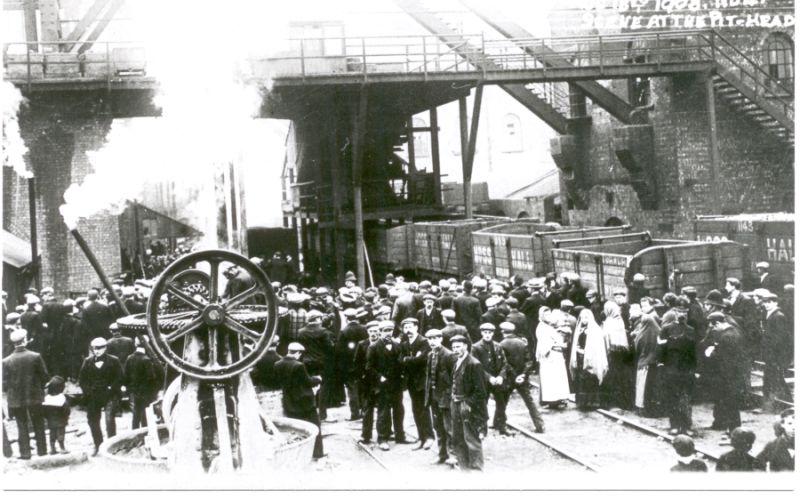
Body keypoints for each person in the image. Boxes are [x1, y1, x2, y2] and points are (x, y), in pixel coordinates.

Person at [2, 329, 48, 459]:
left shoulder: (6, 361)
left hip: (16, 399)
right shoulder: (35, 356)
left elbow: (4, 384)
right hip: (34, 396)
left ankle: (25, 453)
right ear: (24, 340)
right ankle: (42, 451)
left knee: (21, 425)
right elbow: (45, 376)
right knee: (38, 423)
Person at [273, 342, 324, 459]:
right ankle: (317, 453)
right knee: (315, 427)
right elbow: (307, 382)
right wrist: (318, 379)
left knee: (295, 430)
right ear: (298, 353)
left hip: (288, 401)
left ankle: (299, 454)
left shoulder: (277, 364)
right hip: (304, 402)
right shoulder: (299, 365)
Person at [701, 312, 747, 440]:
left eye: (713, 326)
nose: (713, 329)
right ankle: (733, 430)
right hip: (735, 375)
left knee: (731, 404)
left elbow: (724, 358)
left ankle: (734, 433)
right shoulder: (735, 332)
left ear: (718, 323)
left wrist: (711, 353)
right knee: (731, 404)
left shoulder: (726, 336)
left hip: (728, 376)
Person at [368, 320, 410, 450]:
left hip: (396, 384)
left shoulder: (398, 346)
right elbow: (369, 367)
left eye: (390, 331)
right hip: (382, 386)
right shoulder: (373, 347)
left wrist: (403, 377)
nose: (388, 333)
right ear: (380, 332)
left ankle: (400, 436)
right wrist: (380, 377)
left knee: (399, 410)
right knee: (383, 412)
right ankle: (382, 438)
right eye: (385, 331)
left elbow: (402, 364)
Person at [449, 334, 488, 471]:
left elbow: (481, 391)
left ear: (465, 346)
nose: (455, 350)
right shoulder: (457, 361)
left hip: (467, 405)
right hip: (456, 403)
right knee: (458, 436)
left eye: (458, 346)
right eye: (453, 347)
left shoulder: (474, 364)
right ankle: (463, 465)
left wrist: (468, 404)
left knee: (471, 437)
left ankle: (477, 467)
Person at [78, 337, 124, 456]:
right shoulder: (88, 361)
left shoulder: (114, 360)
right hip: (93, 395)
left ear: (105, 348)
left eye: (99, 348)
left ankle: (112, 446)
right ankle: (98, 445)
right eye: (94, 348)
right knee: (92, 420)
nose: (96, 351)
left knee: (109, 420)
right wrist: (88, 391)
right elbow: (82, 379)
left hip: (109, 395)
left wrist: (111, 388)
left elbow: (119, 377)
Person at [499, 321, 545, 433]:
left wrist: (514, 376)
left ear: (502, 332)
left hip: (509, 378)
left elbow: (504, 363)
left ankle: (499, 424)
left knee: (502, 401)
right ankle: (539, 425)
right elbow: (529, 361)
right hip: (522, 378)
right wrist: (523, 375)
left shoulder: (501, 344)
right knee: (529, 402)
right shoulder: (522, 343)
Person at [659, 310, 697, 436]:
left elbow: (694, 352)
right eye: (679, 311)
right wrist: (662, 365)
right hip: (671, 369)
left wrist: (695, 369)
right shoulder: (666, 329)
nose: (682, 314)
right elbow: (661, 349)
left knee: (686, 398)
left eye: (684, 311)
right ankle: (674, 425)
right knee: (672, 397)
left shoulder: (691, 329)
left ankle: (687, 425)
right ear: (675, 313)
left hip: (686, 370)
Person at [399, 318, 434, 449]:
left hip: (422, 380)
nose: (408, 330)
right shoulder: (404, 343)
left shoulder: (424, 342)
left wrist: (408, 359)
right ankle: (421, 437)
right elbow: (400, 359)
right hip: (411, 381)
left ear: (416, 327)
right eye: (405, 327)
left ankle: (429, 437)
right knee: (415, 409)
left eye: (410, 327)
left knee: (424, 409)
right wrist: (412, 359)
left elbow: (422, 360)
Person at [471, 323, 512, 434]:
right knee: (482, 405)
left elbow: (504, 363)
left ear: (493, 333)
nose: (488, 335)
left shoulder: (498, 346)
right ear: (481, 333)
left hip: (497, 380)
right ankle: (482, 429)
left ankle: (502, 427)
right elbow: (476, 366)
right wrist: (489, 377)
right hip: (483, 381)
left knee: (501, 404)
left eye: (490, 333)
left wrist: (501, 376)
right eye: (485, 332)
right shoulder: (475, 347)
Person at [424, 329, 456, 465]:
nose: (432, 342)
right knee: (438, 427)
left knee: (450, 428)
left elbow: (454, 378)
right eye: (429, 339)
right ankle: (442, 454)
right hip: (434, 397)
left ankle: (453, 455)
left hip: (446, 398)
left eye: (435, 339)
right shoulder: (430, 354)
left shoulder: (449, 355)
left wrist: (451, 396)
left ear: (441, 339)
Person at [297, 309, 335, 422]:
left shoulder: (301, 332)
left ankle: (309, 411)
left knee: (309, 385)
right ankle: (323, 414)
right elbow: (329, 348)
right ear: (317, 319)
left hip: (307, 361)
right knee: (324, 387)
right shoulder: (323, 331)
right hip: (322, 362)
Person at [569, 309, 609, 411]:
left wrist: (586, 352)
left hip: (591, 358)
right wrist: (578, 349)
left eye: (586, 318)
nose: (584, 320)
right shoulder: (579, 329)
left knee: (590, 378)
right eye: (582, 318)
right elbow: (576, 343)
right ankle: (582, 403)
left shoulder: (595, 329)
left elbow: (597, 347)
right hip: (580, 357)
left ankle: (592, 402)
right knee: (581, 378)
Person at [761, 293, 792, 411]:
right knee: (772, 379)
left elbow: (780, 338)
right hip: (770, 354)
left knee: (777, 379)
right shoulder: (770, 315)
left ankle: (786, 405)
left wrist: (775, 356)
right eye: (765, 302)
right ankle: (773, 405)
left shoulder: (778, 316)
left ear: (775, 302)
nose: (766, 304)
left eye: (769, 302)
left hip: (775, 355)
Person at [124, 337, 163, 429]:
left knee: (136, 414)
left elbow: (126, 375)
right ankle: (145, 431)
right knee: (145, 412)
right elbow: (151, 377)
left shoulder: (129, 358)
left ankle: (135, 431)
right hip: (145, 391)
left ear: (135, 344)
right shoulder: (146, 359)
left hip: (134, 390)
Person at [535, 308, 571, 409]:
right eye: (545, 315)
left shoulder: (548, 326)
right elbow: (546, 343)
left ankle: (559, 399)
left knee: (557, 376)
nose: (548, 317)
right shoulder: (542, 327)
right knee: (551, 377)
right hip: (550, 355)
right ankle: (552, 400)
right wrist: (558, 343)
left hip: (555, 355)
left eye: (549, 315)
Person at [601, 300, 633, 410]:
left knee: (615, 377)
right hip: (622, 352)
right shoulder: (619, 320)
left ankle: (614, 402)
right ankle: (624, 403)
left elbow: (607, 338)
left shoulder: (609, 322)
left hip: (613, 353)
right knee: (622, 378)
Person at [631, 305, 662, 417]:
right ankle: (652, 409)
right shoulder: (658, 331)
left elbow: (637, 347)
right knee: (652, 388)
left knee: (643, 387)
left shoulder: (643, 334)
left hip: (644, 363)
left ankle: (643, 409)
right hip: (654, 363)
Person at [338, 309, 368, 421]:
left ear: (346, 318)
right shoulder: (364, 329)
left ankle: (355, 413)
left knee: (352, 389)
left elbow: (340, 351)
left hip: (349, 365)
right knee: (363, 387)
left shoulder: (344, 331)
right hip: (363, 363)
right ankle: (365, 411)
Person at [357, 321, 381, 444]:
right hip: (366, 382)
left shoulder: (382, 344)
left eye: (376, 331)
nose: (373, 333)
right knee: (367, 409)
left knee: (383, 408)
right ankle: (366, 435)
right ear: (367, 332)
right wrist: (360, 377)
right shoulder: (361, 345)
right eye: (371, 331)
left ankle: (384, 433)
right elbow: (356, 362)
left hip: (379, 382)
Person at [42, 375, 70, 455]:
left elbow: (44, 411)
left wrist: (47, 417)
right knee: (61, 434)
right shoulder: (62, 398)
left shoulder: (47, 398)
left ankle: (52, 449)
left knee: (52, 435)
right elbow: (67, 410)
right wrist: (66, 416)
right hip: (61, 420)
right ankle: (62, 448)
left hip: (50, 420)